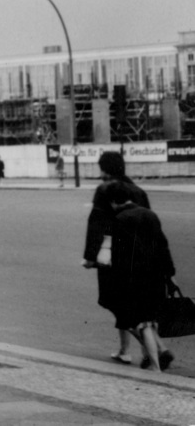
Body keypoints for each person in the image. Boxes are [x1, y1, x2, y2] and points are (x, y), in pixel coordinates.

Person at [82, 150, 156, 365]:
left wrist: (89, 257)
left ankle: (154, 348)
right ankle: (125, 349)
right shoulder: (138, 190)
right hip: (139, 255)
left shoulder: (105, 190)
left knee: (114, 301)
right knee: (129, 302)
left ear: (104, 168)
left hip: (110, 254)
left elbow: (96, 224)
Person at [104, 179, 177, 372]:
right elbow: (163, 247)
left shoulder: (119, 220)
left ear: (113, 201)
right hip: (156, 276)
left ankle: (155, 365)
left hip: (135, 279)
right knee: (150, 322)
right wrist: (170, 275)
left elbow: (118, 257)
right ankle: (156, 359)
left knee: (143, 324)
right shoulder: (150, 214)